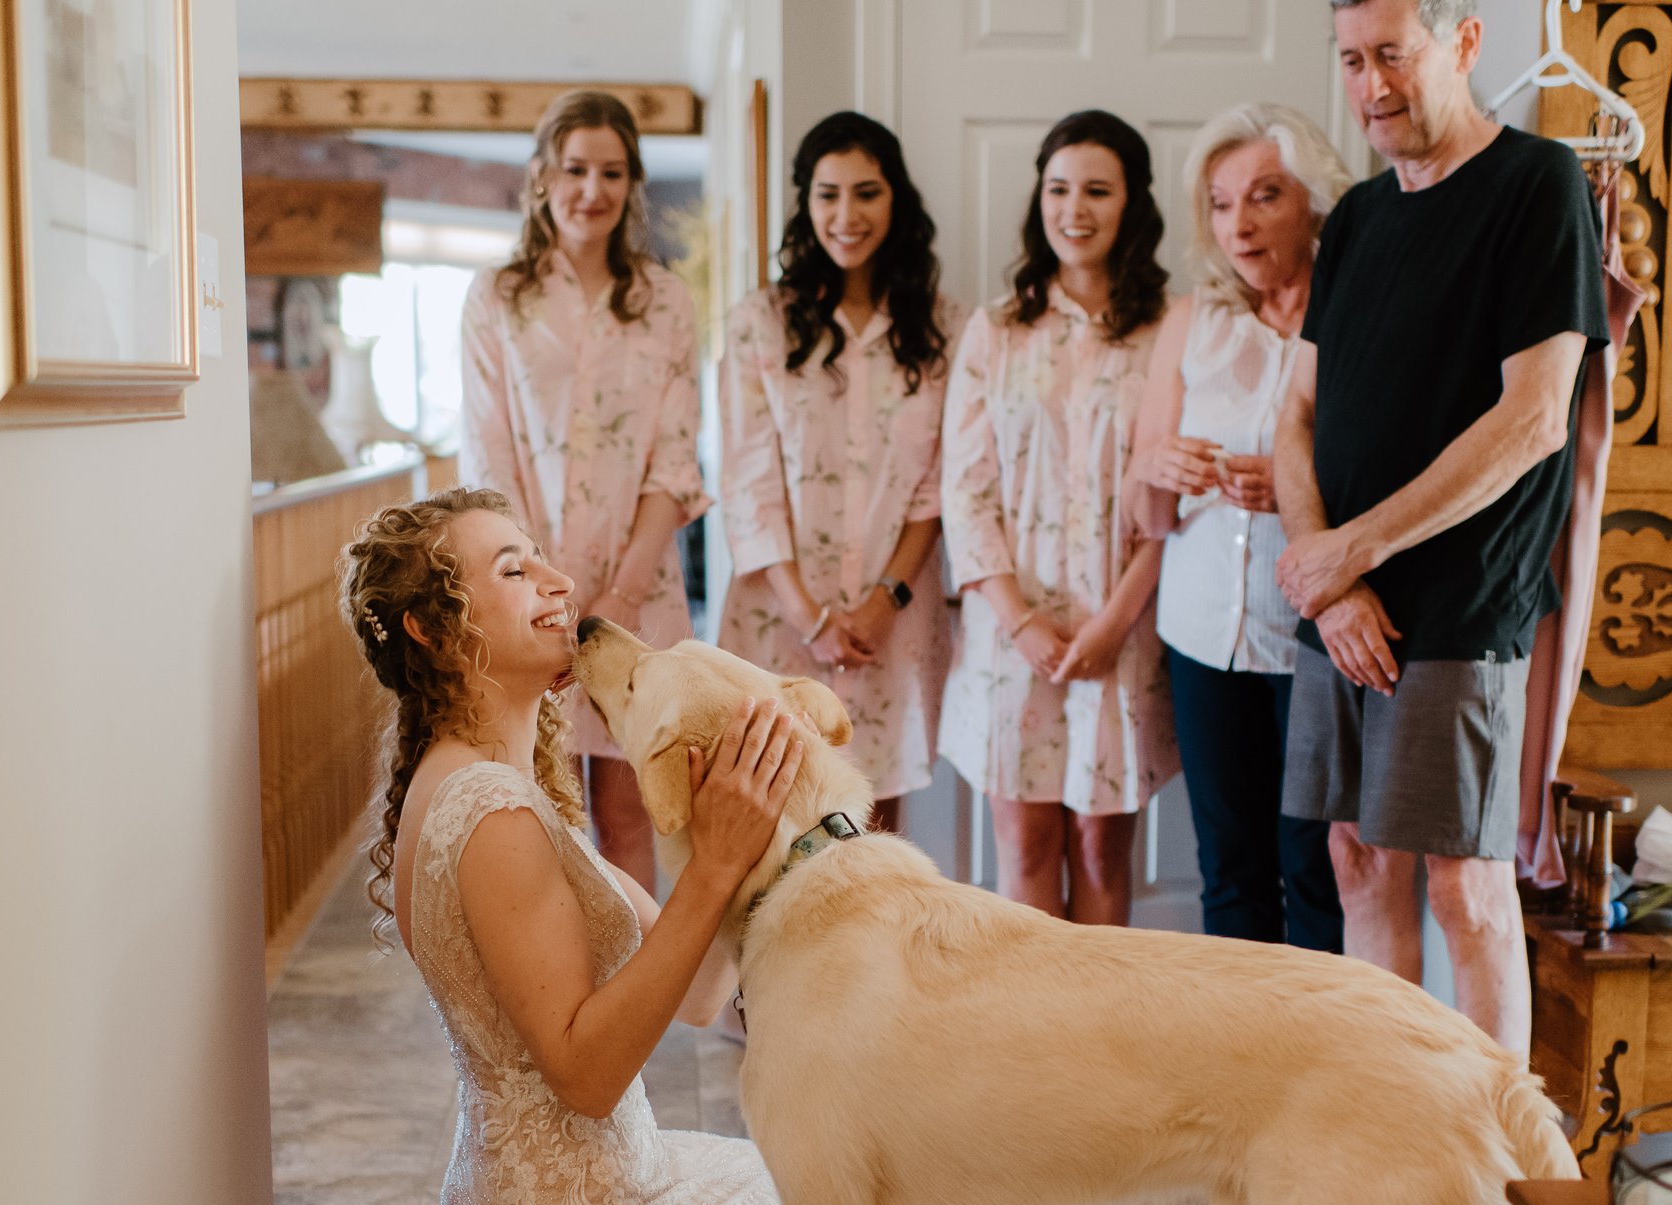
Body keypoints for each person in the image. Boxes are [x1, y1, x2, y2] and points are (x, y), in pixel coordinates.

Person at [215, 487, 908, 1205]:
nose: (555, 586)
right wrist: (710, 876)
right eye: (511, 570)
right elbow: (589, 1073)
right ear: (434, 630)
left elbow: (692, 992)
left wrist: (747, 827)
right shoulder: (491, 816)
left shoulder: (496, 780)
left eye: (543, 562)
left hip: (536, 1204)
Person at [1274, 0, 1608, 1056]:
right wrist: (1327, 581)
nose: (1370, 85)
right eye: (1351, 60)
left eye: (1392, 55)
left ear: (1463, 44)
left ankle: (1495, 1159)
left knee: (1464, 886)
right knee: (1357, 860)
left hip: (1462, 605)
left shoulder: (1537, 185)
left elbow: (1533, 419)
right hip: (1343, 602)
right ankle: (1393, 1128)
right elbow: (1294, 417)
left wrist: (1349, 549)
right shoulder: (1360, 220)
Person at [458, 90, 708, 895]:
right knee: (542, 813)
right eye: (575, 169)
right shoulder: (496, 298)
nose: (592, 189)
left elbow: (676, 460)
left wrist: (620, 595)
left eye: (611, 171)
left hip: (641, 593)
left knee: (632, 810)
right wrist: (544, 594)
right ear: (542, 177)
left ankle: (634, 1008)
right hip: (525, 596)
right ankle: (561, 1003)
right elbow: (487, 459)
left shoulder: (666, 302)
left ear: (632, 182)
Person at [939, 109, 1179, 925]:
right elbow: (964, 489)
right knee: (1029, 847)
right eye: (1059, 188)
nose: (1075, 209)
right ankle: (1029, 1045)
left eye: (1098, 191)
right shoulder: (997, 328)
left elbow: (1172, 502)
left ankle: (1103, 1046)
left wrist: (1114, 622)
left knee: (1102, 851)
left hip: (1123, 627)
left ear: (1132, 203)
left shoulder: (1168, 329)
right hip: (1014, 635)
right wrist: (1019, 622)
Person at [1124, 103, 1352, 951]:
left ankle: (1318, 1065)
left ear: (1315, 201)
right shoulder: (1194, 323)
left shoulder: (1356, 320)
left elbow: (1391, 479)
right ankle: (1239, 1060)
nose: (1239, 224)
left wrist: (1299, 489)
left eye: (1264, 195)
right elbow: (1146, 514)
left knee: (1319, 862)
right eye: (1221, 203)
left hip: (1311, 639)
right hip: (1199, 639)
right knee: (1229, 864)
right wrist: (1153, 468)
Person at [717, 113, 962, 833]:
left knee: (876, 824)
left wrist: (885, 601)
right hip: (779, 616)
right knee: (774, 817)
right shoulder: (759, 322)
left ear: (897, 200)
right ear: (806, 203)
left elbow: (937, 485)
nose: (846, 216)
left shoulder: (946, 329)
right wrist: (810, 616)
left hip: (895, 618)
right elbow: (749, 481)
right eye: (828, 195)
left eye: (866, 193)